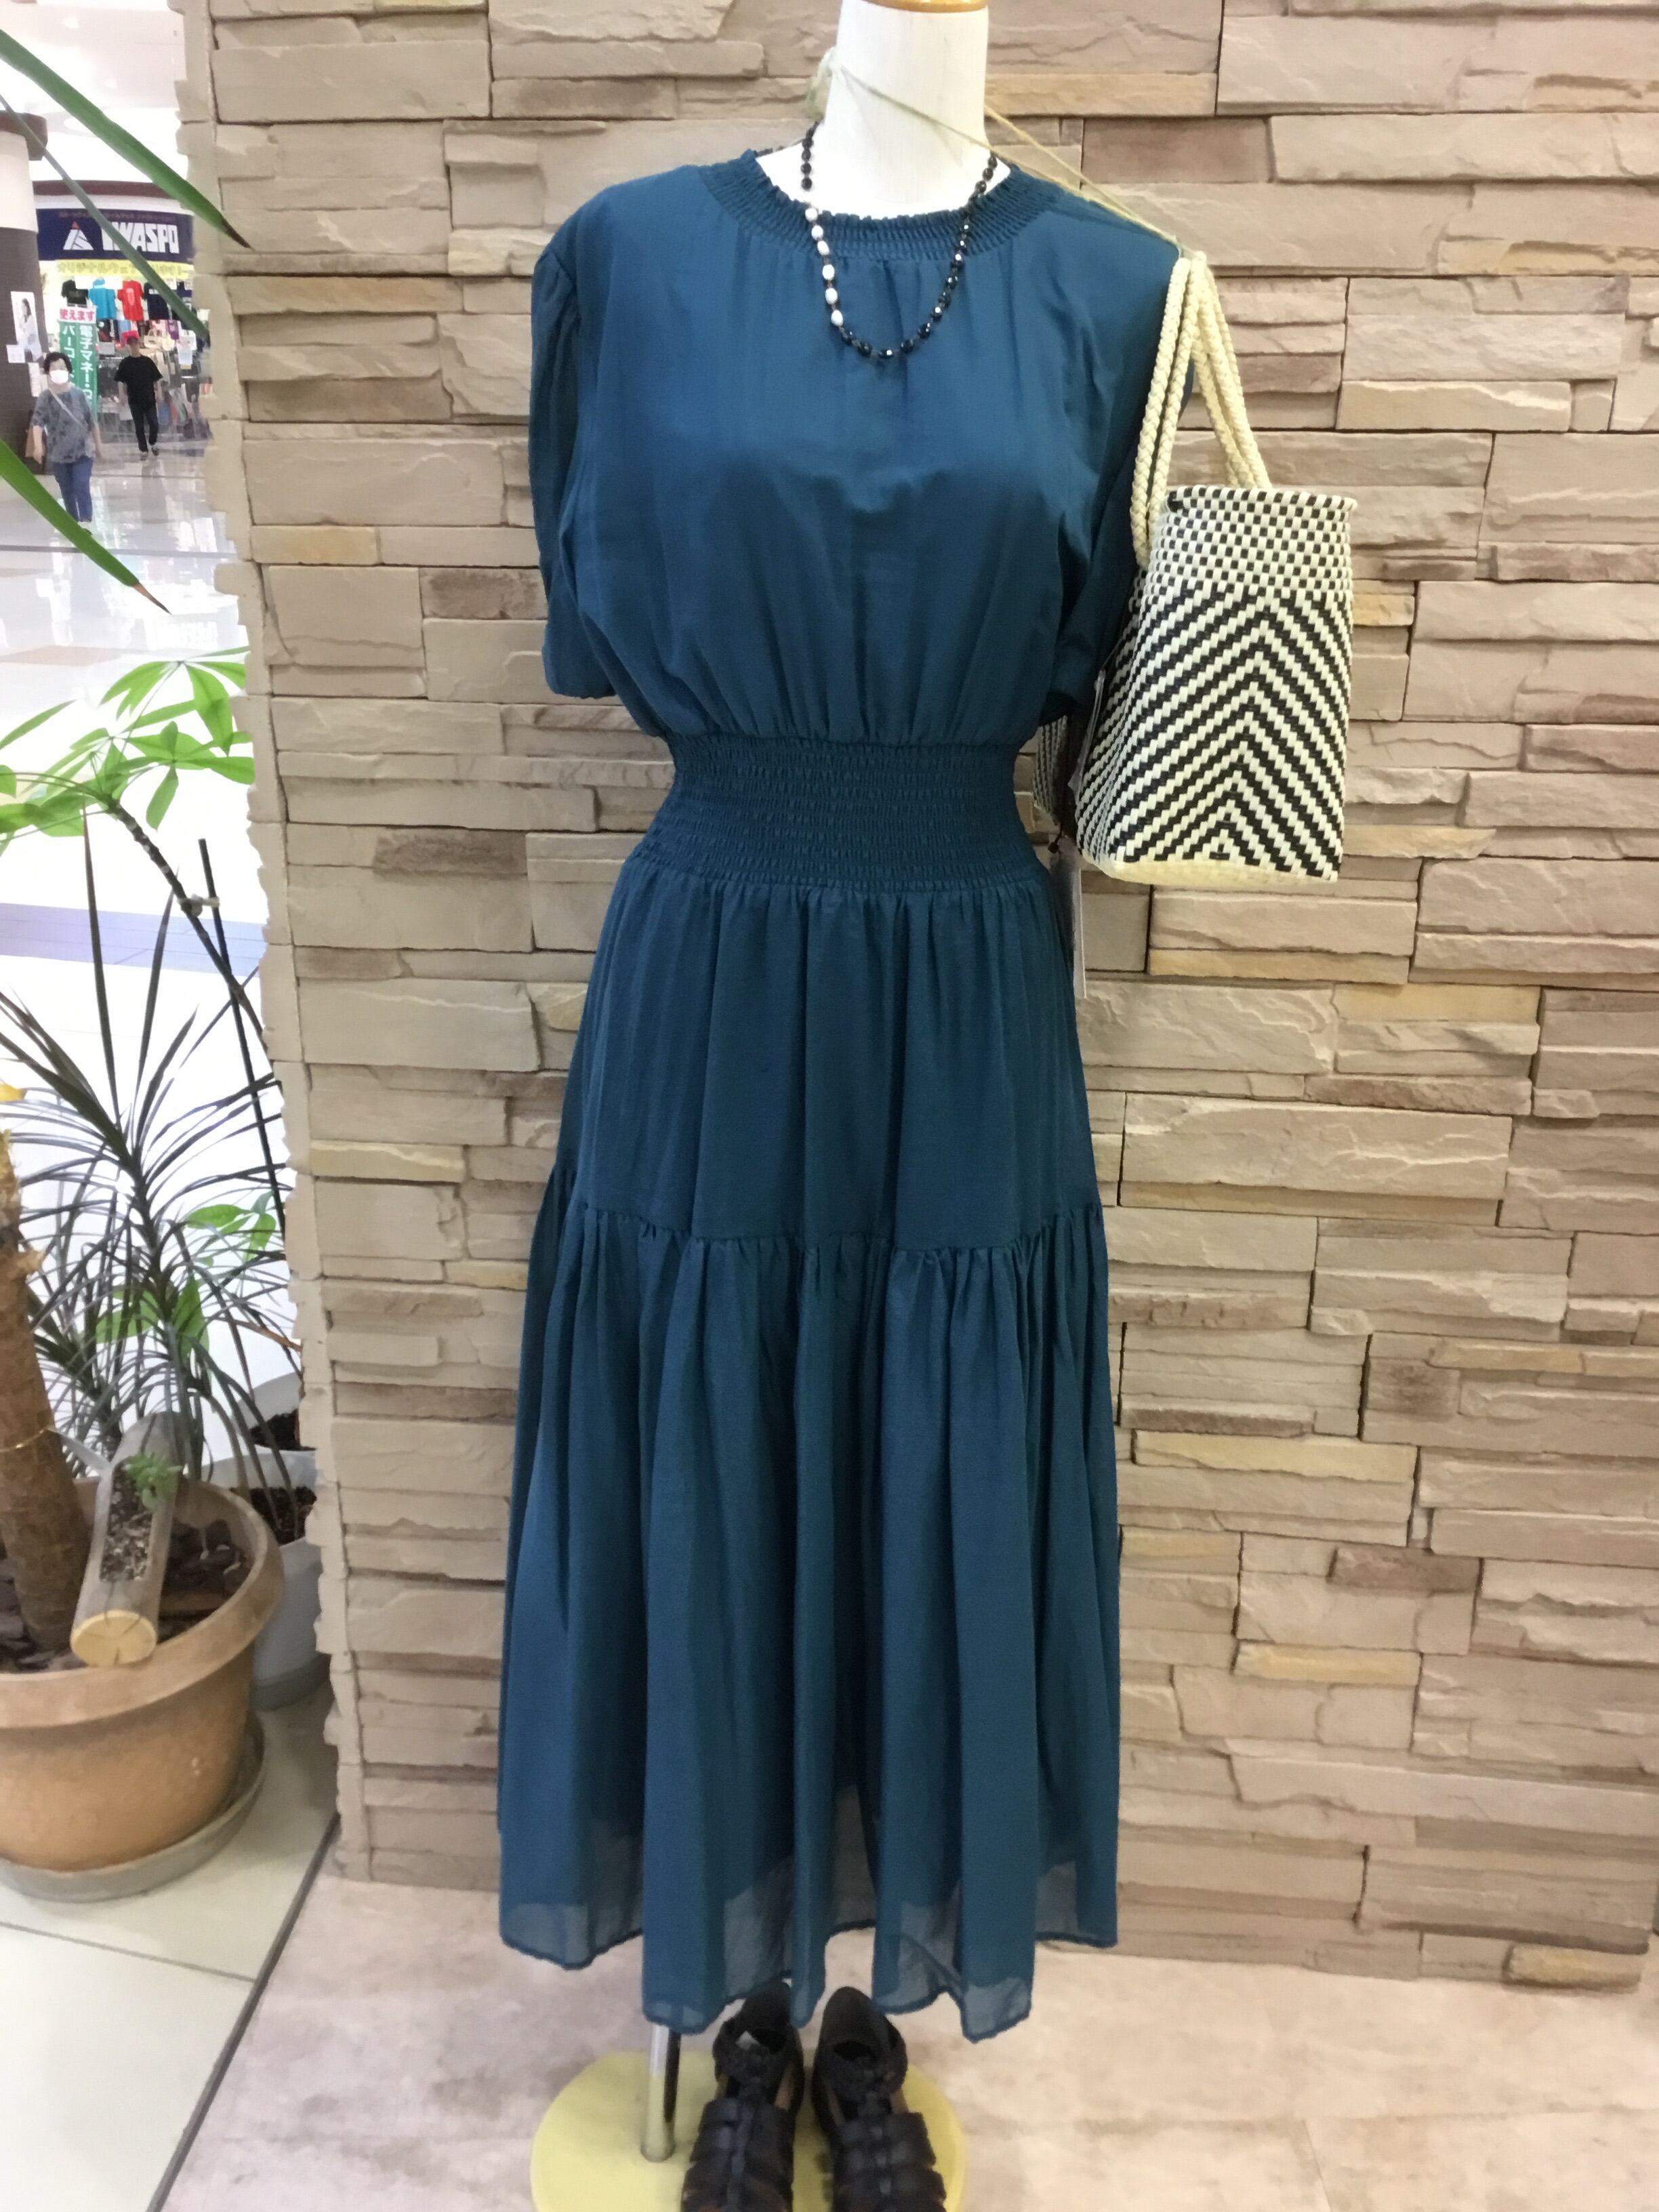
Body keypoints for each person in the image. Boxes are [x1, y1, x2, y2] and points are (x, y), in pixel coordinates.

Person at [26, 352, 100, 523]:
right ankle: (73, 523)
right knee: (67, 490)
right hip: (58, 454)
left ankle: (86, 522)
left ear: (68, 370)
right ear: (48, 372)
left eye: (62, 367)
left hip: (82, 451)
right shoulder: (45, 397)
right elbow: (37, 423)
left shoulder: (78, 394)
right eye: (54, 368)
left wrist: (98, 445)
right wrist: (38, 446)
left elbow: (91, 421)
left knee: (81, 484)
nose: (58, 371)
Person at [115, 331, 163, 459]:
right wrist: (122, 395)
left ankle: (153, 442)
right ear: (128, 346)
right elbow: (120, 380)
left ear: (138, 345)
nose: (133, 346)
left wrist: (159, 393)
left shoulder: (147, 361)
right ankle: (143, 449)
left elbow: (157, 378)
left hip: (149, 398)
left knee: (154, 422)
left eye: (135, 344)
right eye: (131, 344)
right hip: (134, 399)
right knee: (139, 425)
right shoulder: (125, 363)